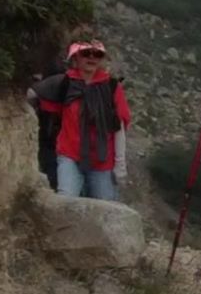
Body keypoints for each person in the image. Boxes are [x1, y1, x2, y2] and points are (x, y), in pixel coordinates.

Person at [29, 39, 131, 201]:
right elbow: (32, 95)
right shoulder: (64, 82)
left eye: (97, 54)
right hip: (69, 156)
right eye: (85, 53)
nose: (92, 58)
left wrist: (120, 166)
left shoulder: (111, 87)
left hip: (102, 162)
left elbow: (118, 127)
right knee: (65, 204)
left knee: (104, 214)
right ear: (75, 57)